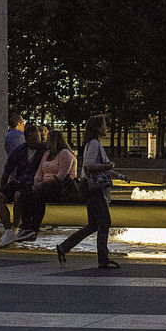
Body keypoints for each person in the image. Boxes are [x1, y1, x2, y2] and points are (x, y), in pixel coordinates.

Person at [56, 114, 120, 269]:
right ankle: (103, 259)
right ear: (97, 128)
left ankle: (64, 247)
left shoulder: (93, 144)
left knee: (93, 225)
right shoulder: (93, 144)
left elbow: (96, 165)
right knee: (105, 222)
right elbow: (89, 166)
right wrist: (108, 167)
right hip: (93, 188)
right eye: (104, 125)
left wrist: (119, 175)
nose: (106, 128)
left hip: (89, 187)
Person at [17, 130, 77, 241]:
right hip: (44, 185)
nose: (46, 142)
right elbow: (39, 172)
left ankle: (34, 228)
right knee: (25, 194)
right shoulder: (46, 154)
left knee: (40, 195)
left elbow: (62, 175)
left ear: (55, 141)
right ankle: (26, 227)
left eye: (49, 139)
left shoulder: (65, 154)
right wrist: (37, 183)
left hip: (59, 187)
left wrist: (43, 184)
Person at [0, 123, 44, 247]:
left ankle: (16, 228)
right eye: (33, 139)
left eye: (38, 138)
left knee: (19, 196)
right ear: (26, 139)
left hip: (33, 183)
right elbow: (7, 170)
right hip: (19, 181)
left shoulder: (44, 149)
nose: (37, 141)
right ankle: (8, 230)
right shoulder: (19, 150)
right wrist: (1, 188)